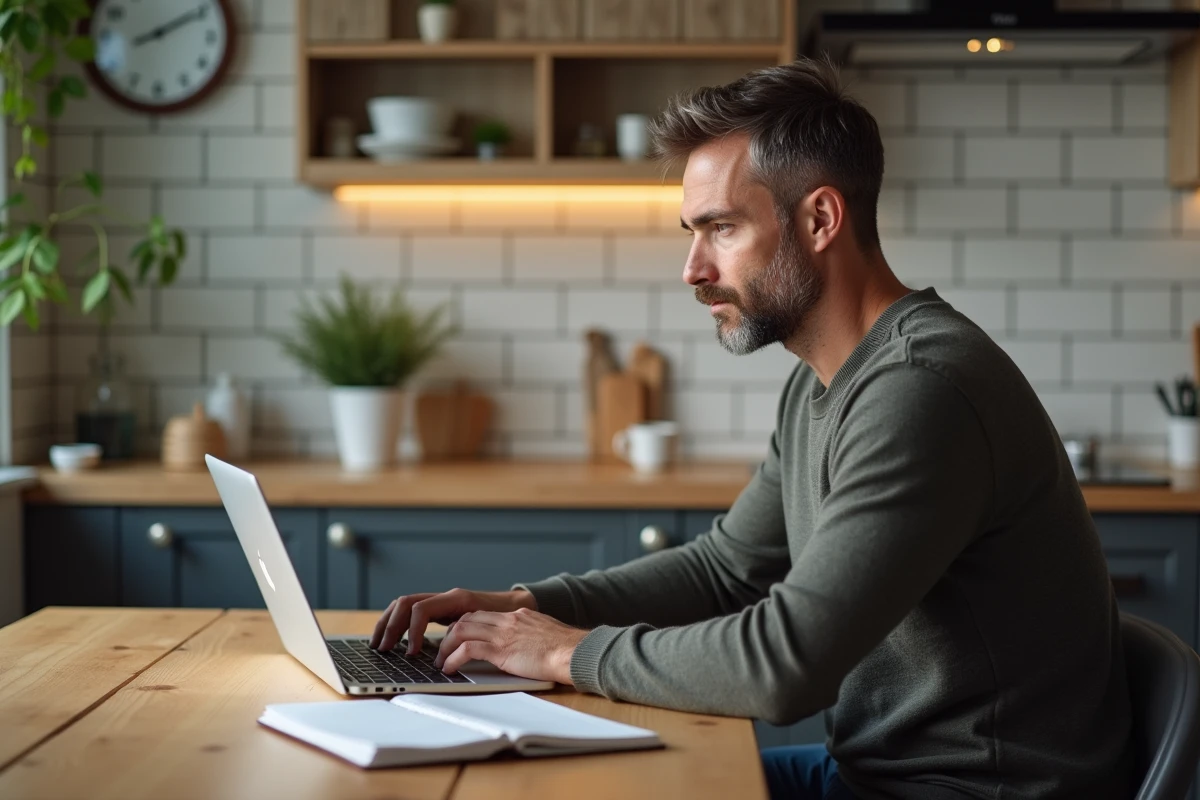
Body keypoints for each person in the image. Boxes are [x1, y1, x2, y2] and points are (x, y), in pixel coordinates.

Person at [370, 58, 1133, 800]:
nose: (692, 269)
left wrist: (565, 649)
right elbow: (726, 572)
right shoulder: (824, 382)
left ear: (821, 218)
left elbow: (785, 666)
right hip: (867, 776)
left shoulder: (920, 389)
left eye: (721, 229)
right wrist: (522, 605)